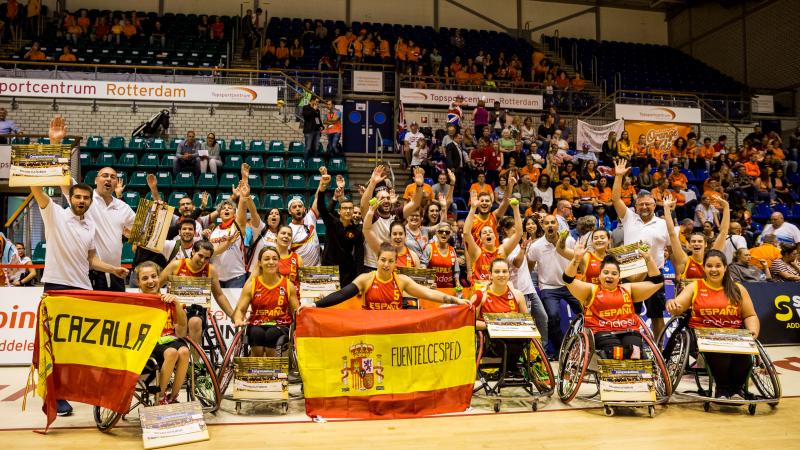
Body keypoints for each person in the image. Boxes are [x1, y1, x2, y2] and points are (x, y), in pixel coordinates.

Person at [666, 250, 759, 400]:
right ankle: (722, 389)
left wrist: (753, 330)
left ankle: (736, 390)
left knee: (745, 356)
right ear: (704, 268)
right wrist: (673, 304)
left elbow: (749, 315)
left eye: (718, 266)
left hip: (733, 334)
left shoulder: (738, 289)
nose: (714, 269)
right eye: (709, 266)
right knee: (721, 354)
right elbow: (679, 305)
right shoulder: (695, 287)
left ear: (725, 268)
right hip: (703, 335)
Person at [563, 240, 664, 358]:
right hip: (602, 332)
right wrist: (576, 259)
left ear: (619, 277)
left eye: (614, 273)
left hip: (628, 330)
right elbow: (568, 279)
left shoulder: (628, 289)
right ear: (599, 275)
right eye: (606, 272)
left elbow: (657, 282)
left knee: (635, 352)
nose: (609, 276)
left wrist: (648, 259)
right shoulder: (591, 290)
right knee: (615, 353)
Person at [611, 159, 670, 337]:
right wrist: (619, 176)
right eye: (641, 204)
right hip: (631, 271)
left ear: (654, 205)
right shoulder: (629, 217)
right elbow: (615, 199)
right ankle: (632, 345)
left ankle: (658, 348)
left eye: (648, 204)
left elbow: (672, 248)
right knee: (630, 313)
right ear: (636, 206)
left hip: (654, 273)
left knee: (657, 315)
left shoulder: (663, 223)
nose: (644, 207)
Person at [315, 243, 466, 309]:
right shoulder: (365, 279)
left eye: (391, 261)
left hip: (394, 330)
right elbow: (342, 294)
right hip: (371, 330)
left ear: (395, 263)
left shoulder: (402, 281)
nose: (386, 264)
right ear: (377, 260)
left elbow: (429, 293)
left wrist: (457, 301)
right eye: (383, 260)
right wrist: (315, 305)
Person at [158, 240, 235, 348]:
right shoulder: (176, 265)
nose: (203, 260)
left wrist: (232, 315)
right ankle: (181, 354)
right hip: (176, 308)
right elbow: (156, 286)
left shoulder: (210, 270)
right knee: (180, 323)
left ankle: (196, 361)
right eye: (200, 255)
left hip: (197, 309)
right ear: (193, 251)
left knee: (195, 322)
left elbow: (219, 295)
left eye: (207, 258)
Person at [135, 262, 189, 405]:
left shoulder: (168, 299)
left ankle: (173, 397)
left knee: (184, 351)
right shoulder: (135, 303)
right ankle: (160, 396)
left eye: (154, 276)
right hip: (148, 342)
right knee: (171, 353)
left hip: (168, 338)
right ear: (138, 283)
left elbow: (183, 324)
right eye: (145, 278)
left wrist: (176, 303)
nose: (151, 281)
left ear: (160, 278)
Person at [233, 247, 299, 356]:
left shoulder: (288, 285)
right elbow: (240, 309)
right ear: (259, 263)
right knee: (256, 333)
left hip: (280, 325)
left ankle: (270, 369)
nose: (271, 262)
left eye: (274, 259)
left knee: (271, 334)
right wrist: (238, 319)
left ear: (279, 262)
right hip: (257, 324)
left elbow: (296, 312)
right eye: (267, 259)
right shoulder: (251, 285)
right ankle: (256, 368)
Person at [359, 165, 424, 271]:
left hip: (391, 265)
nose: (386, 200)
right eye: (382, 198)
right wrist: (373, 183)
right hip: (372, 265)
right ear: (376, 201)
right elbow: (363, 205)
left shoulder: (396, 214)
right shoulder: (372, 215)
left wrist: (419, 185)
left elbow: (415, 203)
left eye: (388, 198)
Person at [472, 258, 530, 377]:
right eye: (497, 272)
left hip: (515, 337)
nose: (501, 275)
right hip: (490, 340)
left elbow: (528, 322)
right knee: (507, 342)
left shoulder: (517, 295)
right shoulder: (481, 296)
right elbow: (470, 322)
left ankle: (509, 370)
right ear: (490, 275)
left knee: (521, 339)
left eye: (504, 271)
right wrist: (492, 325)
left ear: (509, 274)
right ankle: (510, 369)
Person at [664, 195, 730, 285]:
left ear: (705, 244)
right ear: (689, 246)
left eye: (700, 241)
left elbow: (723, 233)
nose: (696, 243)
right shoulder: (684, 260)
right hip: (688, 298)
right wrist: (667, 209)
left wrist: (726, 207)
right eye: (693, 241)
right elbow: (672, 234)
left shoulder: (712, 258)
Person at [464, 191, 522, 287]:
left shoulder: (502, 251)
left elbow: (518, 233)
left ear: (495, 236)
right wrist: (473, 208)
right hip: (482, 294)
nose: (488, 234)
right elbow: (466, 233)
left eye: (490, 232)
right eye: (484, 233)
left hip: (499, 293)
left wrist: (516, 209)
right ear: (480, 239)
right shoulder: (477, 252)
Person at [318, 174, 364, 286]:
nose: (348, 211)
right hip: (328, 268)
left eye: (350, 208)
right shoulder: (332, 223)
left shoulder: (357, 231)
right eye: (344, 208)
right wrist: (322, 189)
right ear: (339, 211)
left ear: (353, 211)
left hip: (346, 271)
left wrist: (359, 279)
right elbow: (322, 208)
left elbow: (359, 256)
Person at [208, 181, 249, 288]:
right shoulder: (214, 230)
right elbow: (211, 252)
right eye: (223, 208)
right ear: (219, 214)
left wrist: (242, 196)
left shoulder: (237, 225)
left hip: (236, 277)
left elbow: (242, 211)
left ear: (234, 213)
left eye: (230, 208)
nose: (226, 209)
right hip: (216, 276)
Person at [286, 168, 327, 267]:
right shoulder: (288, 230)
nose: (298, 209)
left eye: (300, 206)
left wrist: (323, 181)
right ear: (289, 211)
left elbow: (318, 198)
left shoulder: (310, 218)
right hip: (299, 271)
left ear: (304, 209)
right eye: (294, 207)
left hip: (317, 268)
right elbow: (287, 254)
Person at [364, 202, 420, 268]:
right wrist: (371, 211)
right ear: (390, 236)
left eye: (401, 234)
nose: (398, 237)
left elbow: (417, 277)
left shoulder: (413, 256)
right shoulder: (383, 250)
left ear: (405, 235)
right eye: (394, 234)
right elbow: (366, 230)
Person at [421, 222, 461, 289]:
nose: (444, 233)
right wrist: (427, 282)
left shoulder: (452, 250)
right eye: (441, 231)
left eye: (447, 232)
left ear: (450, 234)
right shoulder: (429, 248)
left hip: (448, 289)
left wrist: (457, 283)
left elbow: (456, 271)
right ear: (436, 233)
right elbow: (423, 267)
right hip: (432, 289)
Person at [302, 97, 324, 164]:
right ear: (312, 101)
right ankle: (305, 163)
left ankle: (315, 163)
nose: (317, 103)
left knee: (316, 148)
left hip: (316, 131)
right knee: (308, 148)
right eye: (316, 101)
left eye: (318, 102)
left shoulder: (317, 110)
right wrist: (313, 109)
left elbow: (317, 119)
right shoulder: (306, 107)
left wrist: (321, 126)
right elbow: (306, 116)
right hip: (309, 131)